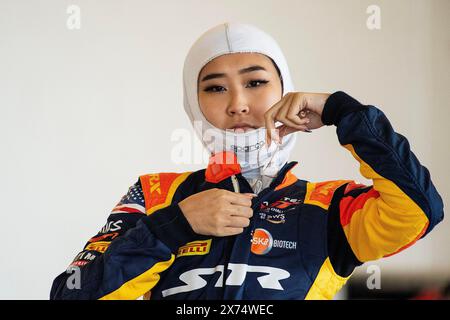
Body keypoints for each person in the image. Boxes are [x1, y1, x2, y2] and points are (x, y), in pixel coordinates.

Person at [50, 22, 444, 300]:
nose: (238, 104)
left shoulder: (328, 206)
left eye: (255, 83)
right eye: (215, 87)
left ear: (285, 90)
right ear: (193, 102)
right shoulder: (157, 194)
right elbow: (72, 294)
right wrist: (175, 226)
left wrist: (344, 112)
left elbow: (420, 210)